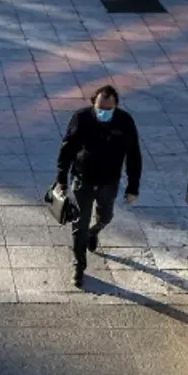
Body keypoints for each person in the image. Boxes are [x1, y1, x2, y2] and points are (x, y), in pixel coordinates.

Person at [54, 85, 142, 289]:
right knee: (79, 225)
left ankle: (95, 231)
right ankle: (79, 266)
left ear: (116, 106)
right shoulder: (81, 118)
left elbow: (134, 155)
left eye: (108, 109)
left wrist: (133, 187)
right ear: (93, 103)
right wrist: (61, 179)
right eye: (100, 108)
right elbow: (67, 149)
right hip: (82, 180)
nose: (104, 113)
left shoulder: (125, 122)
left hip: (109, 181)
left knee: (106, 217)